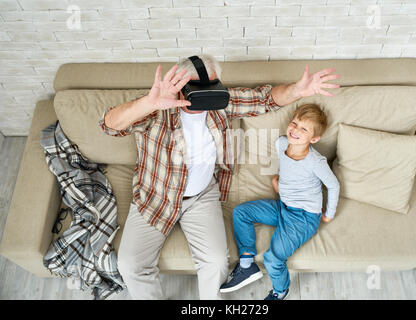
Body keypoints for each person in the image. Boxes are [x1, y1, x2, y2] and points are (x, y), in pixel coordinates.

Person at [99, 54, 340, 300]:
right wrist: (148, 103)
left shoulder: (220, 104)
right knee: (129, 265)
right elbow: (109, 125)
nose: (207, 95)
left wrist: (298, 91)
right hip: (155, 196)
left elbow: (264, 99)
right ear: (181, 87)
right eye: (198, 88)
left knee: (216, 264)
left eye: (212, 86)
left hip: (201, 197)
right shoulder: (156, 108)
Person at [219, 103, 340, 300]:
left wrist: (328, 214)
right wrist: (279, 185)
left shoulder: (315, 162)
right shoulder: (281, 143)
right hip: (284, 206)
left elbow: (333, 185)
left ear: (314, 138)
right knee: (241, 212)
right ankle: (247, 265)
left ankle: (280, 290)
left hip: (303, 217)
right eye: (295, 123)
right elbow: (292, 173)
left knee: (273, 258)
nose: (295, 130)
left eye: (304, 128)